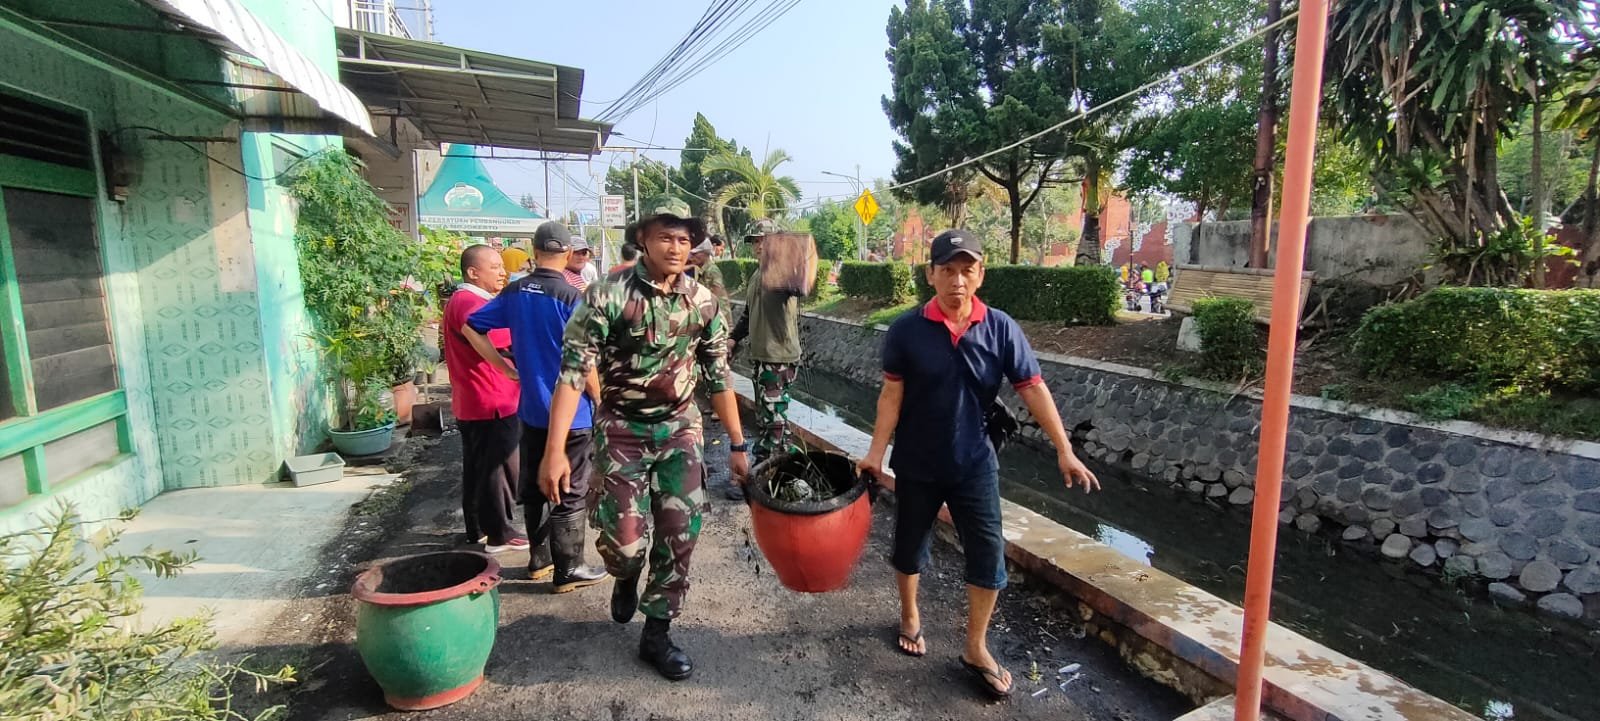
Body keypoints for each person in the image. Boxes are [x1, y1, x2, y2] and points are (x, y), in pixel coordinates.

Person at [856, 229, 1099, 700]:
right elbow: (891, 395)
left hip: (975, 462)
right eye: (947, 270)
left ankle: (975, 647)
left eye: (967, 270)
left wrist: (1064, 448)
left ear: (981, 274)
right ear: (930, 275)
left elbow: (1032, 387)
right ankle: (910, 613)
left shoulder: (1001, 328)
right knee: (908, 546)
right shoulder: (906, 330)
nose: (958, 281)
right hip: (918, 460)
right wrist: (875, 453)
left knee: (988, 554)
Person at [539, 204, 750, 681]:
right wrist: (555, 452)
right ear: (643, 241)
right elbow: (572, 374)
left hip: (680, 429)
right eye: (665, 238)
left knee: (680, 533)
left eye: (684, 240)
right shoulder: (607, 294)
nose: (676, 248)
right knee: (625, 546)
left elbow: (719, 377)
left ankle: (657, 634)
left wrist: (738, 446)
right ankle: (626, 574)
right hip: (621, 430)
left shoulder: (703, 301)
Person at [464, 223, 608, 593]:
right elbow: (586, 363)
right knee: (570, 488)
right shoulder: (571, 297)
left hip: (529, 410)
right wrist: (599, 398)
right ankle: (569, 568)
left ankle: (539, 559)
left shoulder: (515, 292)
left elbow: (471, 327)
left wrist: (504, 367)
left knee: (534, 486)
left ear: (534, 250)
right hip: (572, 413)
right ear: (567, 253)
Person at [441, 245, 526, 553]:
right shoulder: (468, 302)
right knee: (500, 468)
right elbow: (495, 338)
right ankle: (500, 534)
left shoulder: (465, 300)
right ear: (473, 272)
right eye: (495, 267)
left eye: (502, 266)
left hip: (476, 399)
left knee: (479, 467)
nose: (502, 273)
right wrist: (508, 368)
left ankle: (477, 528)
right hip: (492, 399)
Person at [730, 219, 801, 500]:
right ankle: (788, 475)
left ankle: (763, 481)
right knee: (770, 417)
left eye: (765, 240)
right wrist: (733, 339)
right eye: (756, 241)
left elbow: (800, 285)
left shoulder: (783, 273)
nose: (759, 246)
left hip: (778, 358)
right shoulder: (757, 275)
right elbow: (748, 315)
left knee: (773, 421)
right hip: (761, 357)